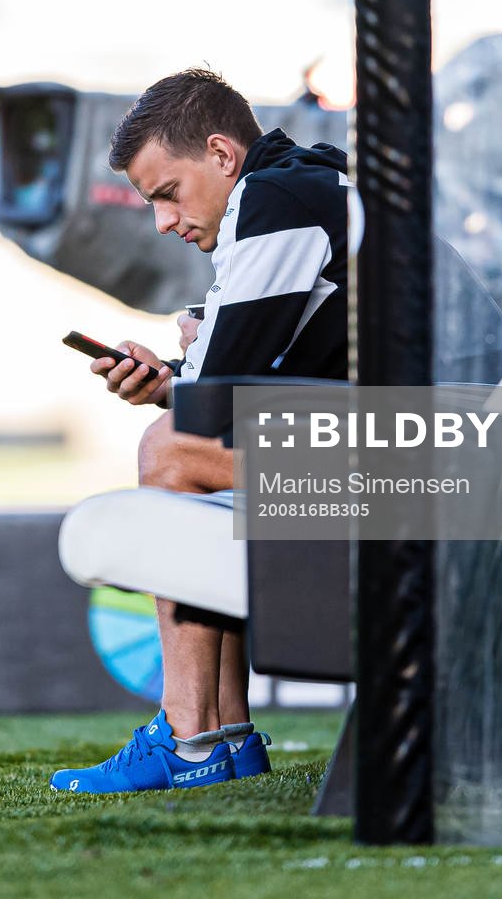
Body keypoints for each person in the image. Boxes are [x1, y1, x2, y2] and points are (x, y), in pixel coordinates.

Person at [50, 68, 349, 795]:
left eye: (166, 193)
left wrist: (185, 365)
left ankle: (194, 739)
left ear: (222, 155)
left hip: (438, 459)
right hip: (447, 440)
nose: (162, 222)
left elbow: (214, 395)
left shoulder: (276, 199)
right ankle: (221, 735)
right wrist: (181, 373)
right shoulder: (309, 184)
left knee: (171, 451)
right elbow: (230, 385)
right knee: (187, 446)